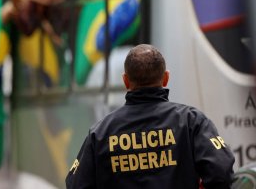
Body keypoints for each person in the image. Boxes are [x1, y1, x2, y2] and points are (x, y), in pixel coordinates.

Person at [65, 44, 235, 189]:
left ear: (125, 81)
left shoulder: (100, 133)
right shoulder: (192, 121)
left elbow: (75, 184)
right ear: (166, 78)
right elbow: (221, 173)